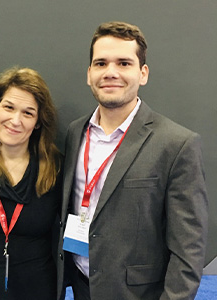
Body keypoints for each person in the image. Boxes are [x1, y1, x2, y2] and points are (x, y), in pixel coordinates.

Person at [57, 21, 208, 300]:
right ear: (89, 74)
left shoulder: (177, 144)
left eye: (124, 63)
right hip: (79, 287)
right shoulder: (75, 132)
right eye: (101, 63)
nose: (111, 72)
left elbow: (189, 249)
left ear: (143, 73)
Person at [0, 67, 62, 300]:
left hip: (39, 291)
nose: (15, 120)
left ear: (38, 122)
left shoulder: (57, 168)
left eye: (28, 113)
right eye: (8, 107)